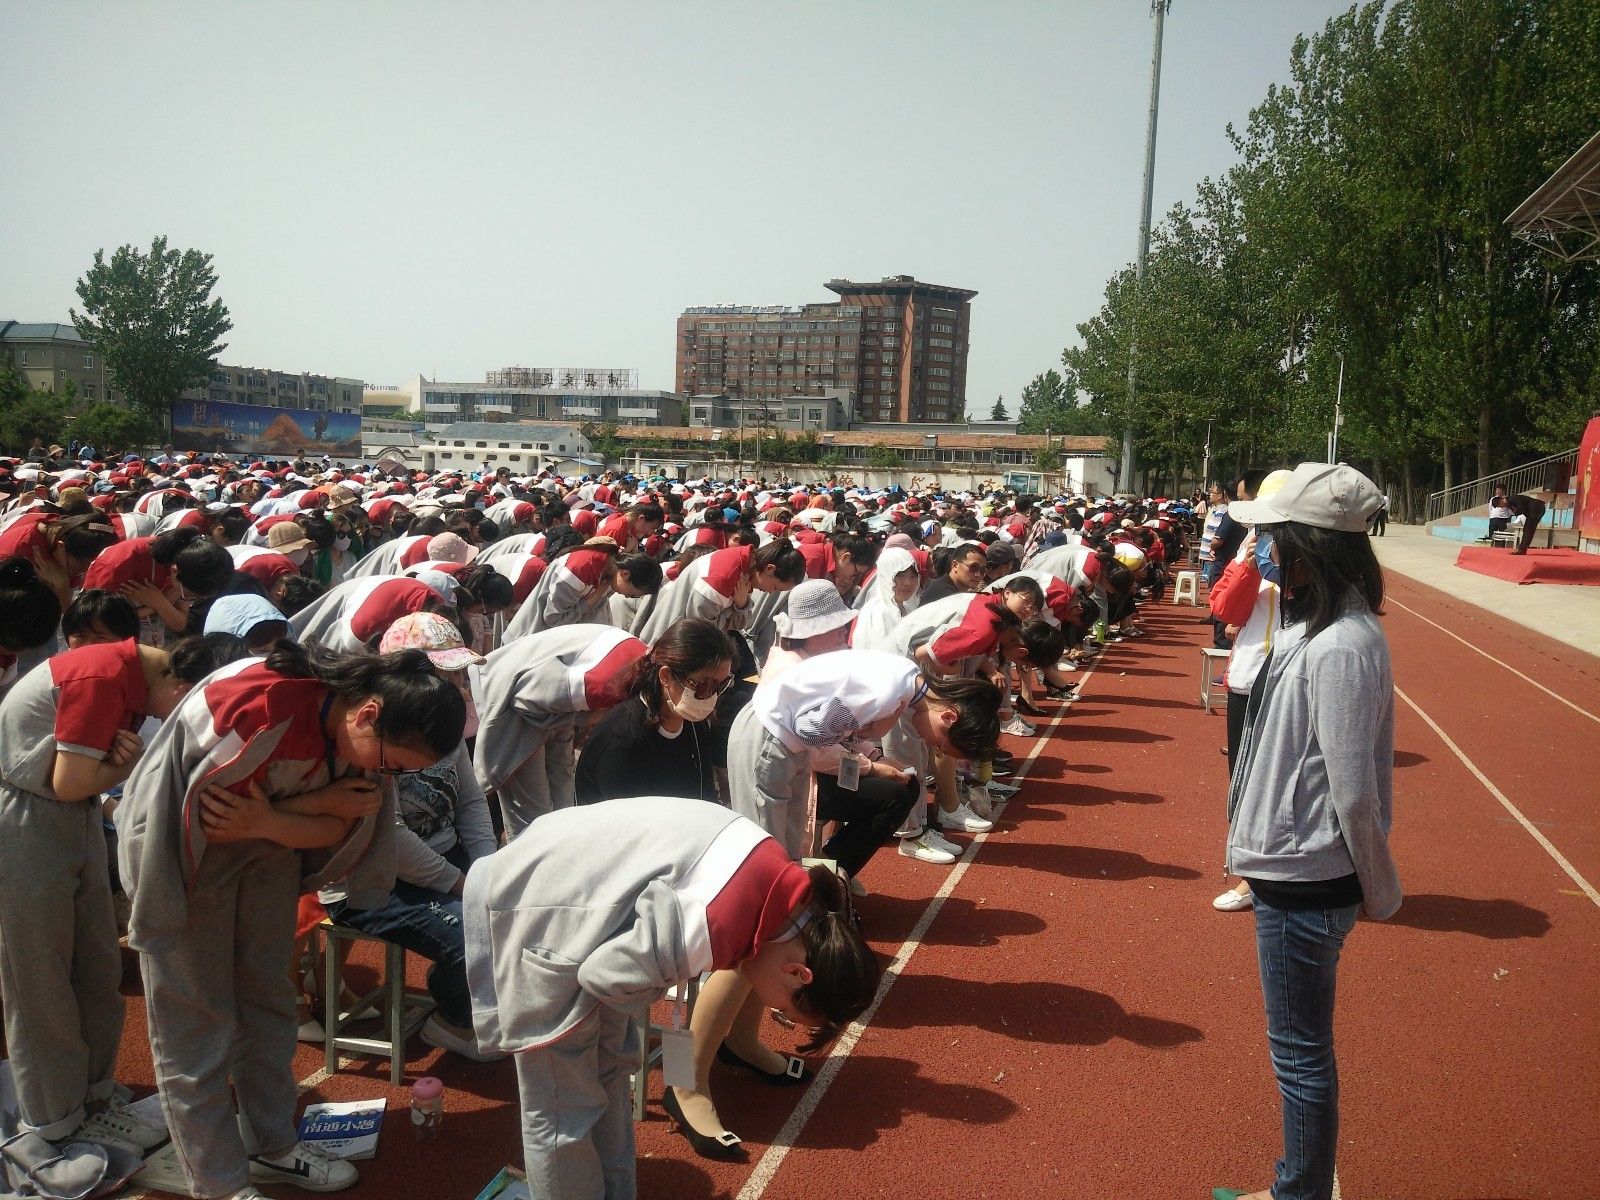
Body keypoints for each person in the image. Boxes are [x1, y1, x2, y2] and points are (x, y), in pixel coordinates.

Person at [118, 643, 466, 1200]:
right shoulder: (256, 707)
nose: (386, 779)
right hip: (184, 867)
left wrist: (288, 816)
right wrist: (316, 806)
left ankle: (272, 1147)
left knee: (268, 1009)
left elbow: (328, 826)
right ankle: (219, 1184)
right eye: (390, 765)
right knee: (197, 1031)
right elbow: (219, 823)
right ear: (368, 713)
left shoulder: (360, 735)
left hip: (266, 863)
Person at [463, 796, 880, 1194]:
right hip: (538, 906)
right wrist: (650, 985)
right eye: (784, 1010)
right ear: (798, 972)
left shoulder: (782, 883)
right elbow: (602, 976)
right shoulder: (708, 925)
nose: (772, 1007)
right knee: (559, 1115)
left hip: (578, 889)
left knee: (609, 1072)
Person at [1215, 462, 1401, 1200]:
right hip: (1287, 867)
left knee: (1298, 1054)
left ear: (1309, 546)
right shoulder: (1308, 626)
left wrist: (1377, 891)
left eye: (1267, 537)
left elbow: (1354, 793)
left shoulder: (1342, 646)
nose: (1255, 548)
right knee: (1296, 1049)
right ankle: (1301, 1186)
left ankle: (1301, 1193)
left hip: (1307, 878)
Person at [0, 638, 192, 1154]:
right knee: (40, 978)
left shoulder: (130, 674)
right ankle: (55, 1122)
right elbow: (70, 780)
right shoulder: (103, 675)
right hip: (25, 815)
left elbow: (78, 785)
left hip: (71, 814)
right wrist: (119, 769)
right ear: (179, 683)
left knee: (97, 965)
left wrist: (108, 772)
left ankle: (93, 1096)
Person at [325, 613, 501, 1063]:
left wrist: (484, 866)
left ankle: (462, 1004)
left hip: (444, 862)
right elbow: (391, 840)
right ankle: (454, 1022)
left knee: (511, 912)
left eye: (459, 672)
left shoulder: (444, 720)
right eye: (446, 671)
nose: (458, 682)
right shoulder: (376, 737)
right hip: (377, 878)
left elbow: (471, 802)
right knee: (477, 935)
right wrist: (463, 884)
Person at [1205, 469, 1291, 912]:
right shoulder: (1252, 546)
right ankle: (1252, 875)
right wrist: (1254, 561)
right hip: (1252, 674)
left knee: (1299, 779)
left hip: (1301, 676)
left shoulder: (1323, 556)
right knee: (1245, 778)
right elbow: (1224, 606)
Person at [470, 625, 650, 836]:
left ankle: (559, 845)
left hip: (555, 704)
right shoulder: (602, 685)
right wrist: (588, 717)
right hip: (518, 708)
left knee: (563, 784)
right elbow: (524, 700)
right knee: (533, 813)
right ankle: (531, 859)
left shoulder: (643, 664)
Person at [573, 618, 732, 805]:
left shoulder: (694, 724)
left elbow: (706, 797)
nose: (711, 697)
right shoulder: (623, 742)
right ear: (666, 676)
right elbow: (634, 826)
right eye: (704, 686)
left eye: (722, 685)